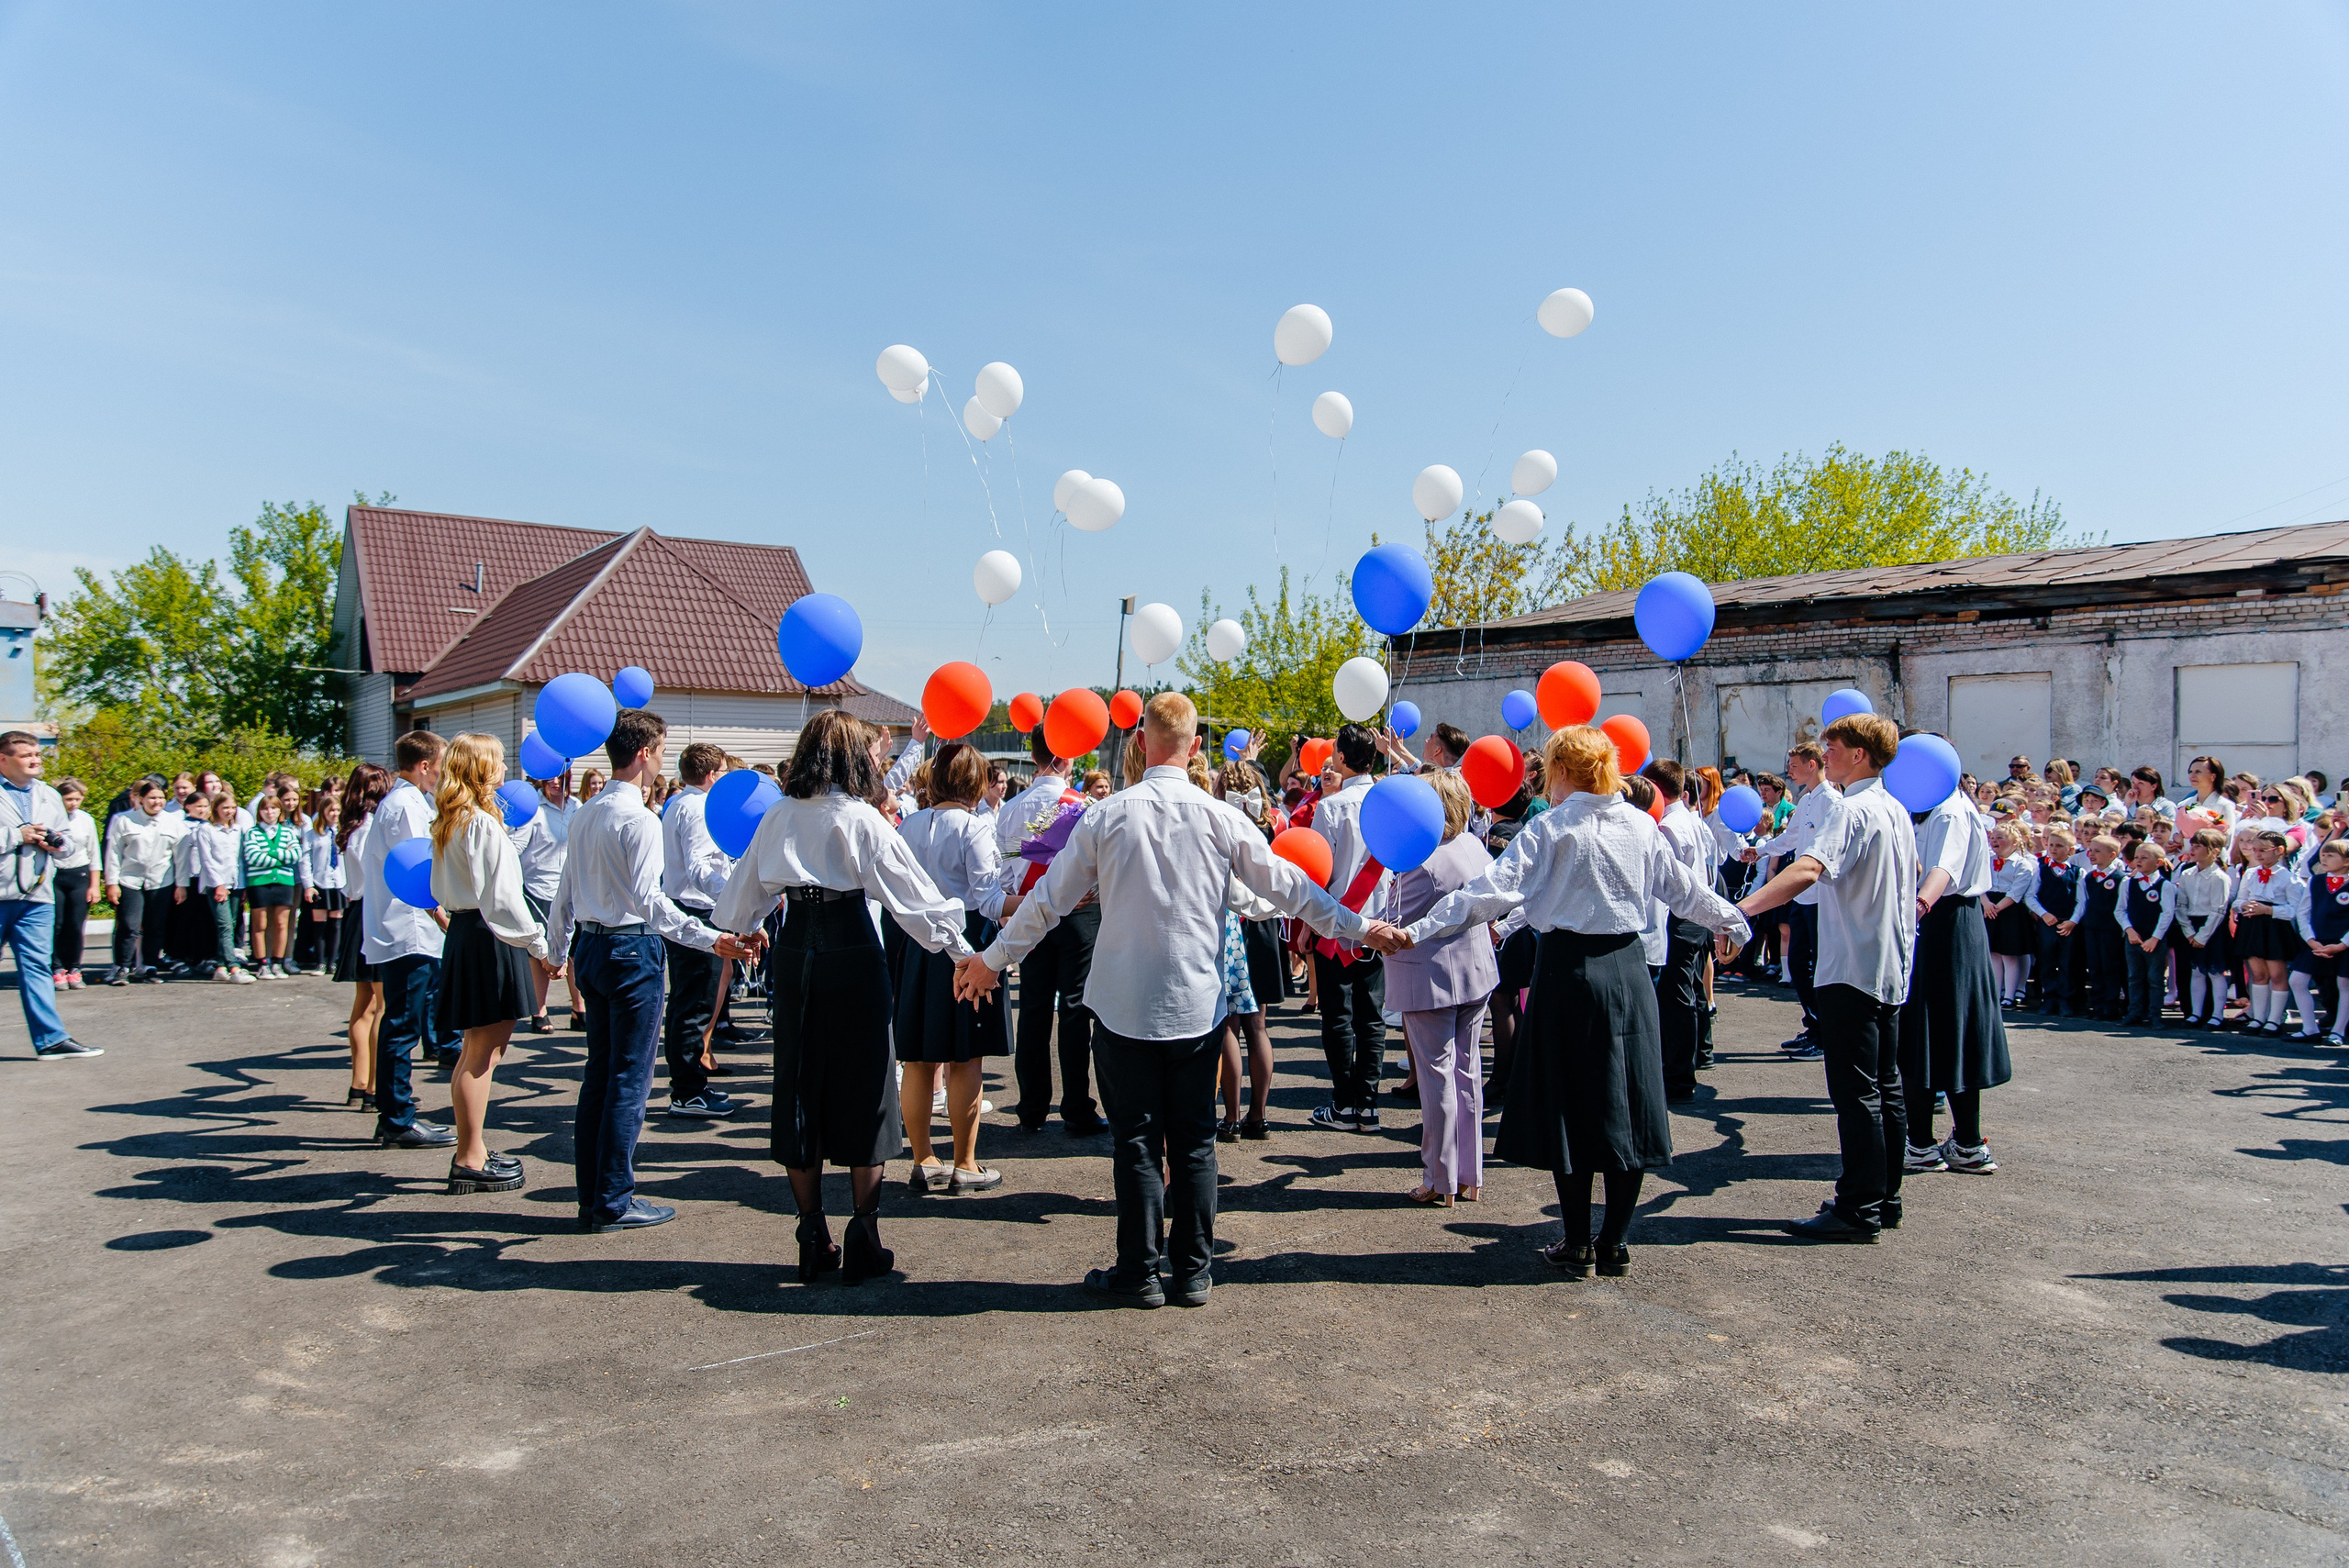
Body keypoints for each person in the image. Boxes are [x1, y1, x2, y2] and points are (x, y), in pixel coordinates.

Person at [954, 693, 1392, 1308]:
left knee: (1136, 1141)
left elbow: (1048, 901)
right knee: (1194, 1140)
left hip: (1124, 1004)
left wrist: (991, 959)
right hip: (1195, 1005)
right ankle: (1191, 1270)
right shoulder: (1218, 817)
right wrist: (1357, 926)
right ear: (1195, 747)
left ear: (1140, 742)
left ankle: (1139, 1270)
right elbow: (1290, 886)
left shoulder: (1106, 815)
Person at [1393, 725, 1746, 1275]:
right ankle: (1615, 1242)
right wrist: (1733, 919)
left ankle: (1579, 1240)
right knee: (1627, 1102)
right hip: (1627, 971)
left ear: (1559, 770)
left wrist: (1415, 930)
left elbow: (1485, 894)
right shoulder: (1638, 823)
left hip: (1565, 972)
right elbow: (1683, 890)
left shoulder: (1551, 828)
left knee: (1569, 1105)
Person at [713, 710, 964, 1280]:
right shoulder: (860, 818)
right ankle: (864, 1233)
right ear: (854, 759)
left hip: (796, 949)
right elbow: (915, 900)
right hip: (851, 946)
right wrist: (963, 953)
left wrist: (746, 926)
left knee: (799, 1083)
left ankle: (812, 1233)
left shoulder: (778, 814)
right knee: (865, 1084)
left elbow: (738, 902)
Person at [547, 711, 756, 1234]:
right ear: (644, 753)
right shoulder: (637, 818)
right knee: (628, 1078)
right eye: (660, 750)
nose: (662, 759)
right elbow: (651, 902)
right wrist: (710, 937)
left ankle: (594, 1194)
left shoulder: (586, 812)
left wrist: (557, 949)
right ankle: (613, 1198)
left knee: (600, 1074)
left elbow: (565, 893)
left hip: (592, 946)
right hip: (627, 948)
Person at [1731, 714, 1915, 1242]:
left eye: (1832, 746)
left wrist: (1742, 910)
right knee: (1884, 1086)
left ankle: (1858, 1208)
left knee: (1857, 1094)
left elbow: (1809, 867)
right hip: (1885, 962)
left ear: (1859, 754)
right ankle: (1884, 1197)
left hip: (1853, 965)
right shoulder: (1893, 808)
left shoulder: (1851, 809)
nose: (1824, 754)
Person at [891, 740, 1017, 1192]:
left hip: (918, 947)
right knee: (965, 1059)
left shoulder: (908, 825)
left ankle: (923, 1159)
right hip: (967, 948)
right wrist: (1040, 902)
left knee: (918, 1059)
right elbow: (989, 900)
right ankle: (965, 1163)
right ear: (975, 782)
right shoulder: (973, 827)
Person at [429, 733, 552, 1196]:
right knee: (482, 1054)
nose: (504, 768)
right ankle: (469, 1157)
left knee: (476, 1051)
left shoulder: (452, 820)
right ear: (481, 768)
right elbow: (503, 900)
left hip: (470, 931)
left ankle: (473, 1148)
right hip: (488, 935)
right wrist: (539, 945)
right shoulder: (479, 822)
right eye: (498, 761)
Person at [1380, 769, 1497, 1207]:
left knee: (1438, 1080)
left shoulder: (1423, 861)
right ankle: (1469, 1173)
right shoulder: (1472, 845)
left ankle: (1440, 1177)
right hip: (1475, 971)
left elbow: (1395, 926)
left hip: (1430, 979)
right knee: (1468, 1073)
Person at [1900, 747, 2008, 1177]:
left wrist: (1917, 907)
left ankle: (1930, 1143)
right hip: (1947, 921)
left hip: (1943, 921)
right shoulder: (1936, 807)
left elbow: (1942, 869)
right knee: (1944, 1033)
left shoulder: (1948, 812)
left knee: (1932, 1032)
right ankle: (1959, 1142)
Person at [360, 731, 457, 1149]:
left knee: (402, 1023)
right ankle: (397, 1117)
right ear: (424, 765)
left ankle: (394, 1111)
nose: (443, 772)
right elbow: (417, 868)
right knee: (402, 1026)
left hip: (408, 928)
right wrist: (442, 915)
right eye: (441, 764)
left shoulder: (410, 801)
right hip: (408, 929)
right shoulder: (405, 806)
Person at [1308, 723, 1390, 1131]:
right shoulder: (1389, 802)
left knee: (1338, 1017)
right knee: (1371, 1018)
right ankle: (1369, 1105)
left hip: (1337, 924)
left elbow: (1317, 872)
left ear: (1340, 757)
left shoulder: (1331, 807)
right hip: (1379, 923)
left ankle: (1343, 1103)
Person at [0, 731, 99, 1058]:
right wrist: (17, 836)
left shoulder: (49, 795)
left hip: (36, 897)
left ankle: (51, 1040)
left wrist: (57, 842)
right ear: (3, 759)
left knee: (38, 968)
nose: (35, 760)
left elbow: (69, 843)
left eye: (37, 754)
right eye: (26, 755)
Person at [656, 743, 741, 1121]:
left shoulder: (678, 803)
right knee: (695, 1005)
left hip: (688, 908)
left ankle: (690, 1085)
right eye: (722, 772)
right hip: (698, 911)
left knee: (687, 1003)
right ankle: (687, 1091)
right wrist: (733, 897)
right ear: (710, 775)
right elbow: (699, 866)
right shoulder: (697, 807)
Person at [1743, 741, 1839, 1054]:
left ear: (1812, 764)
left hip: (1822, 896)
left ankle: (1825, 1034)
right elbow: (1789, 839)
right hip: (1803, 896)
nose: (1790, 771)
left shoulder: (1832, 801)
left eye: (1794, 765)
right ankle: (1814, 1026)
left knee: (1819, 966)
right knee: (1798, 963)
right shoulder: (1806, 799)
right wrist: (1760, 850)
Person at [1642, 762, 1713, 1100]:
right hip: (1696, 912)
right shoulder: (1691, 818)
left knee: (1676, 997)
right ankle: (1701, 1052)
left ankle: (1679, 1076)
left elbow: (1668, 880)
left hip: (1682, 915)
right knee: (1691, 989)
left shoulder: (1669, 826)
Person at [333, 764, 392, 1109]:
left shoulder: (350, 827)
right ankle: (373, 1085)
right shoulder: (373, 827)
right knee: (382, 1005)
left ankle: (359, 1081)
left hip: (357, 911)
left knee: (364, 1003)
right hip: (375, 912)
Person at [103, 775, 178, 984]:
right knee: (129, 925)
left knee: (155, 925)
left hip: (161, 880)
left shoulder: (172, 822)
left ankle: (148, 966)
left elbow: (180, 856)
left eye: (161, 798)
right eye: (152, 798)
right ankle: (122, 966)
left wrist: (181, 884)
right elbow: (113, 853)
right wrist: (111, 882)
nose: (157, 802)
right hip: (130, 880)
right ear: (141, 799)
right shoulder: (124, 820)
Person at [511, 771, 567, 1034]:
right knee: (538, 954)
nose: (555, 782)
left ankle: (579, 1009)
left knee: (572, 953)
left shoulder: (575, 806)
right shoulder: (533, 809)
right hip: (538, 889)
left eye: (559, 777)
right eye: (550, 778)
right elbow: (514, 848)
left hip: (566, 890)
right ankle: (539, 1011)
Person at [2232, 828, 2301, 1034]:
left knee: (2277, 975)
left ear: (2279, 850)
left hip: (2275, 927)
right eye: (2255, 850)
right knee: (2258, 974)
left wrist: (2269, 910)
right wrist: (2244, 906)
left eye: (2263, 850)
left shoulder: (2288, 878)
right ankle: (2258, 1017)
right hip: (2253, 925)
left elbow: (2295, 910)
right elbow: (2237, 900)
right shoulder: (2250, 874)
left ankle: (2274, 1019)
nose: (2258, 854)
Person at [179, 791, 250, 984]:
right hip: (216, 884)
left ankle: (220, 966)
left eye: (233, 807)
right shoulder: (206, 830)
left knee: (230, 925)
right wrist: (219, 885)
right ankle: (234, 968)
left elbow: (240, 859)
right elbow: (207, 860)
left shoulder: (237, 830)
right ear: (216, 808)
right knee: (224, 925)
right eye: (225, 808)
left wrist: (243, 886)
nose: (229, 811)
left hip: (236, 883)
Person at [2172, 827, 2233, 1028]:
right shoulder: (2187, 874)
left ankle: (2217, 1015)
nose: (2192, 850)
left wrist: (2202, 936)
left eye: (2198, 846)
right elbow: (2181, 905)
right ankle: (2195, 1013)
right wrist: (2189, 932)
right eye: (2193, 845)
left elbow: (2218, 910)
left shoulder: (2219, 877)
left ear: (2214, 851)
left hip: (2212, 928)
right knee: (2196, 971)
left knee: (2215, 972)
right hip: (2192, 925)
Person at [239, 791, 303, 978]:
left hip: (284, 882)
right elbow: (253, 857)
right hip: (259, 882)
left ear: (280, 811)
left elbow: (295, 855)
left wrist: (269, 853)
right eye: (265, 809)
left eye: (274, 808)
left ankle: (278, 962)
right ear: (259, 812)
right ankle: (263, 964)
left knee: (282, 923)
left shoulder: (288, 832)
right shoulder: (252, 832)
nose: (270, 812)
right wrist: (280, 855)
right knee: (260, 924)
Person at [2292, 837, 2349, 1046]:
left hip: (2343, 944)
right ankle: (2309, 1028)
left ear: (2347, 861)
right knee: (2297, 980)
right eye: (2323, 854)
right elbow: (2303, 913)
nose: (2323, 858)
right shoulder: (2315, 881)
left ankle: (2338, 1032)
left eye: (2330, 855)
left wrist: (2342, 944)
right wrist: (2310, 940)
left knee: (2345, 984)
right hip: (2316, 941)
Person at [47, 776, 98, 990]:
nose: (73, 803)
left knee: (76, 925)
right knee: (57, 924)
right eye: (69, 799)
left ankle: (74, 968)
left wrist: (94, 885)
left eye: (78, 799)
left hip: (79, 875)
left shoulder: (86, 819)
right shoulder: (49, 818)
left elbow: (94, 853)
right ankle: (57, 968)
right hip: (55, 875)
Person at [2024, 826, 2081, 1017]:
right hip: (2047, 922)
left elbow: (2082, 900)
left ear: (2070, 850)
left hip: (2068, 925)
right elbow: (2030, 896)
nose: (2054, 849)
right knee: (2047, 961)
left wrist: (2073, 921)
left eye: (2059, 846)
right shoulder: (2041, 870)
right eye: (2051, 845)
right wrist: (2043, 914)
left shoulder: (2077, 872)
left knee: (2067, 963)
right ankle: (2049, 999)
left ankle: (2066, 1000)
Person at [2120, 840, 2176, 1028]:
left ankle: (2155, 1014)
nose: (2138, 861)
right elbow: (2120, 910)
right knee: (2134, 977)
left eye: (2144, 858)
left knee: (2155, 979)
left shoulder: (2164, 885)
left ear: (2158, 862)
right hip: (2133, 938)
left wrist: (2155, 938)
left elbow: (2167, 913)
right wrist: (2129, 930)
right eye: (2136, 857)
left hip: (2154, 940)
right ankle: (2135, 1012)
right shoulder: (2128, 883)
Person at [1982, 823, 2037, 1007]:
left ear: (2014, 842)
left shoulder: (2022, 864)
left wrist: (1997, 908)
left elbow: (2016, 892)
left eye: (2000, 838)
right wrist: (1985, 903)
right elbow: (1979, 882)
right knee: (1993, 954)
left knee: (2009, 955)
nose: (1995, 841)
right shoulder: (1986, 860)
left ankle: (2010, 995)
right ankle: (1996, 993)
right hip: (1988, 907)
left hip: (2009, 910)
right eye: (1993, 838)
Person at [298, 787, 348, 984]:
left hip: (339, 882)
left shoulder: (343, 832)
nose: (334, 814)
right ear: (323, 812)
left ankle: (332, 961)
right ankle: (320, 962)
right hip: (320, 882)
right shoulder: (313, 834)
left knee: (336, 924)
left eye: (337, 810)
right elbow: (305, 860)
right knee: (319, 924)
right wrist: (308, 884)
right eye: (331, 810)